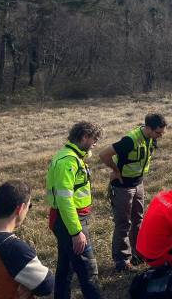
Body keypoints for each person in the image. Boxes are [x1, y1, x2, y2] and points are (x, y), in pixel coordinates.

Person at [98, 113, 167, 272]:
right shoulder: (129, 140)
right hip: (123, 186)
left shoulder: (151, 137)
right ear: (148, 128)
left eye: (162, 133)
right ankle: (122, 261)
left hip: (138, 183)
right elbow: (104, 154)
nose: (160, 136)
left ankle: (137, 254)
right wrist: (116, 171)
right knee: (123, 223)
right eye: (158, 133)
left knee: (138, 220)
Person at [0, 180, 54, 298]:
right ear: (20, 208)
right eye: (29, 206)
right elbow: (47, 285)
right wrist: (29, 285)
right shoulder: (13, 249)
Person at [46, 121, 103, 298]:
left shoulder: (69, 155)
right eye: (94, 139)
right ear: (84, 136)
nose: (96, 143)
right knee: (88, 270)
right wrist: (76, 231)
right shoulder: (68, 162)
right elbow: (65, 200)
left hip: (67, 220)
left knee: (66, 266)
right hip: (70, 221)